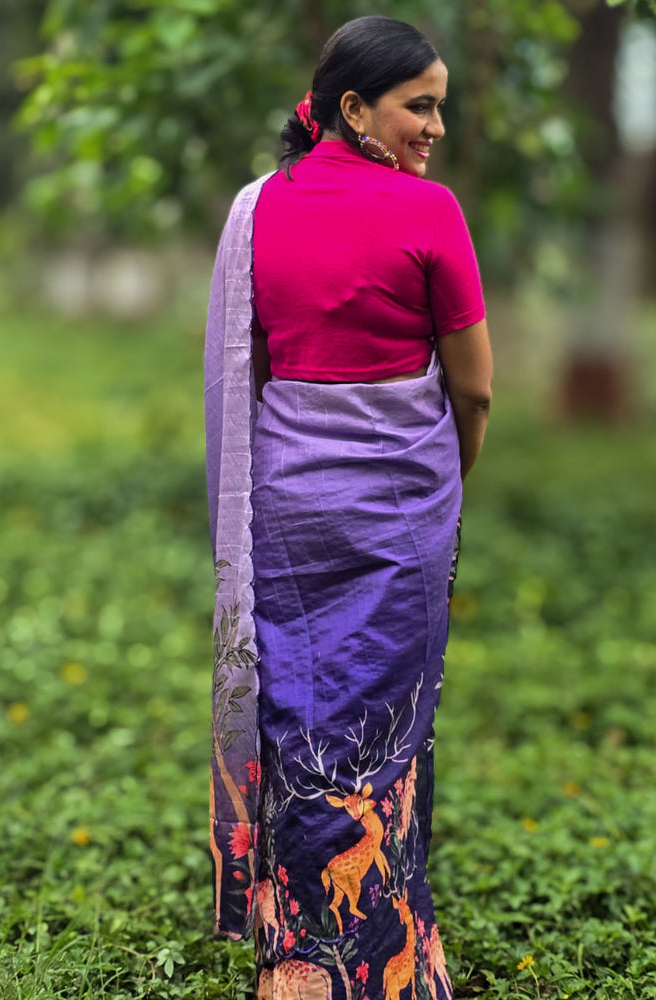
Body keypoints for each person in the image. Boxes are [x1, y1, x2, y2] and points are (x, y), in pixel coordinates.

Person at [205, 15, 492, 999]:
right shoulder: (432, 213)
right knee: (385, 720)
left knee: (298, 710)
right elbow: (476, 390)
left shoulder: (256, 209)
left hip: (285, 499)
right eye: (420, 105)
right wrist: (446, 482)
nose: (435, 127)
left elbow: (252, 365)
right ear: (353, 108)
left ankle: (296, 957)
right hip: (404, 506)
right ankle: (387, 959)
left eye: (439, 106)